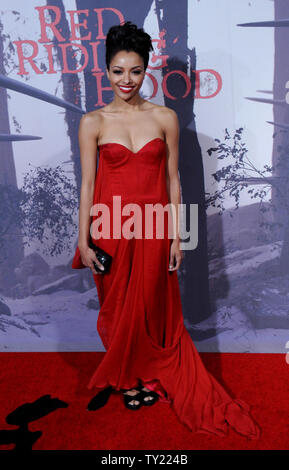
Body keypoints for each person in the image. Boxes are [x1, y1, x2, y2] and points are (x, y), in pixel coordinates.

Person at [72, 21, 261, 439]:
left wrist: (179, 237)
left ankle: (148, 376)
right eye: (119, 70)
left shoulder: (166, 117)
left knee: (154, 308)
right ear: (106, 70)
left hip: (156, 227)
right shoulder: (93, 122)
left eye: (135, 71)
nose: (127, 80)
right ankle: (132, 378)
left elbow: (175, 181)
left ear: (146, 72)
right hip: (111, 227)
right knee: (119, 311)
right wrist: (83, 239)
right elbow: (86, 184)